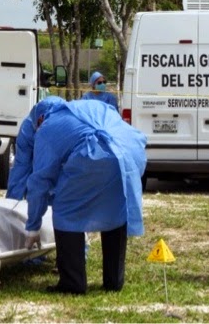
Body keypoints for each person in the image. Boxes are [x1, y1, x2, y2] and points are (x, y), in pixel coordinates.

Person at [24, 97, 146, 295]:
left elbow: (40, 181)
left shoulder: (47, 129)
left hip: (94, 155)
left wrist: (33, 226)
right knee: (116, 207)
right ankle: (114, 280)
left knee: (66, 210)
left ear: (39, 119)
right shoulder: (90, 106)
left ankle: (73, 283)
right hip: (129, 152)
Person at [6, 96, 62, 200]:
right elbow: (21, 167)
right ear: (39, 120)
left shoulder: (65, 128)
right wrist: (12, 201)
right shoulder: (27, 130)